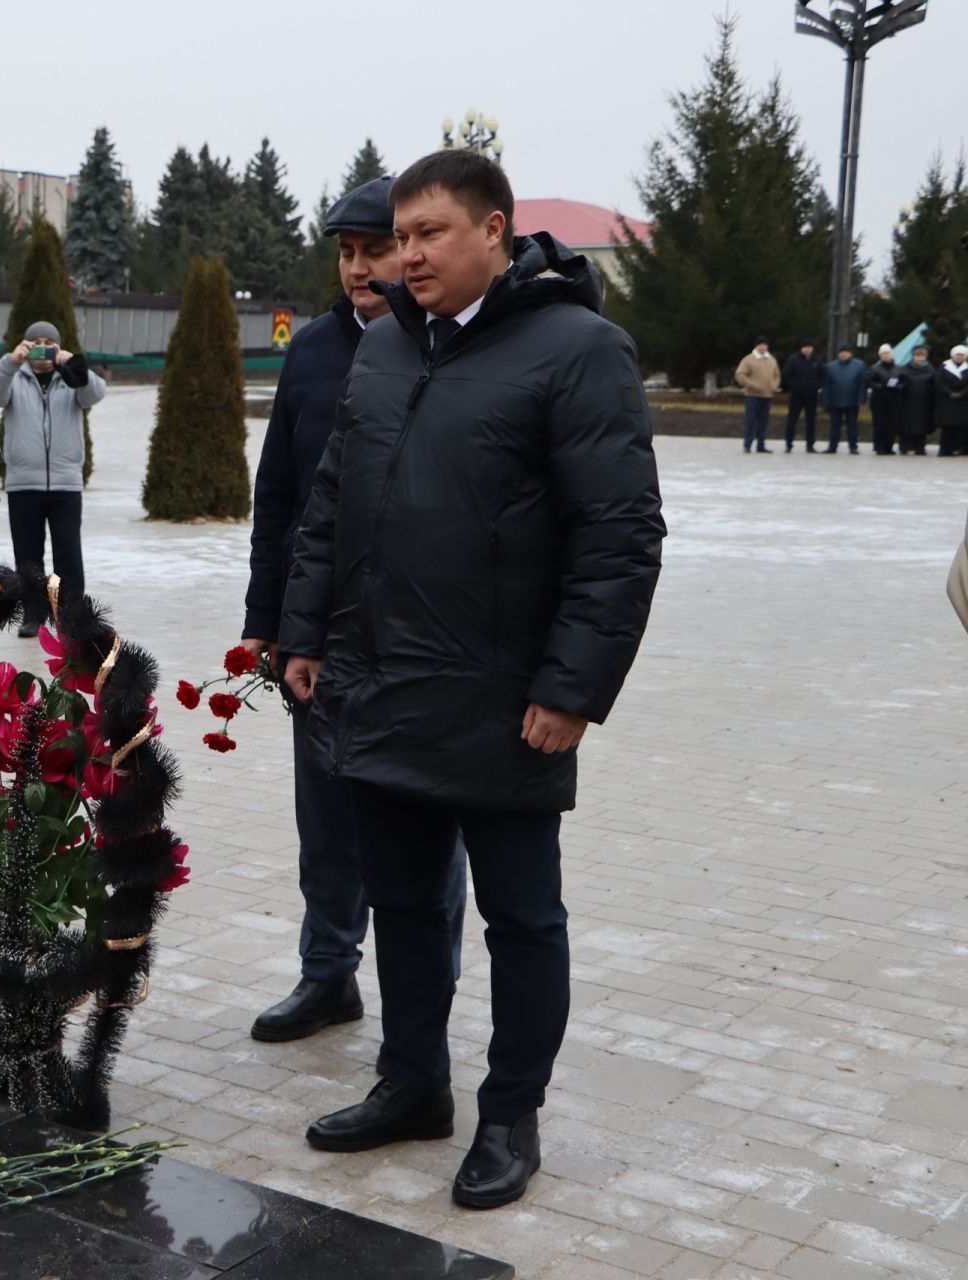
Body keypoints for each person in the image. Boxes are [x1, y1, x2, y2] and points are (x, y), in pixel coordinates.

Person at [279, 150, 663, 1209]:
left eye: (430, 234)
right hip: (380, 681)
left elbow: (619, 536)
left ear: (494, 231)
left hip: (507, 700)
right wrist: (304, 633)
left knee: (522, 916)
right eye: (399, 237)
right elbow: (330, 503)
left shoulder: (579, 348)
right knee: (400, 901)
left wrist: (572, 686)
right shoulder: (389, 346)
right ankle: (411, 1082)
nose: (407, 256)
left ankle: (509, 1111)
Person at [241, 175, 465, 1045]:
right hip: (318, 635)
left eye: (376, 249)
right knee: (326, 820)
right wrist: (266, 618)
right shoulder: (314, 351)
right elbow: (281, 498)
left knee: (420, 831)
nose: (362, 267)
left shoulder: (447, 348)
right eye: (347, 251)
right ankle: (327, 973)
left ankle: (427, 996)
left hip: (417, 636)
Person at [0, 320, 106, 638]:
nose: (42, 347)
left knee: (68, 553)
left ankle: (74, 616)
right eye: (35, 342)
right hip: (22, 483)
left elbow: (96, 393)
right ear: (26, 347)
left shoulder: (71, 380)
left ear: (58, 346)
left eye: (48, 342)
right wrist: (11, 361)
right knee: (27, 555)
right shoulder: (15, 378)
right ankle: (33, 614)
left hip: (66, 483)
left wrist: (71, 362)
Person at [734, 336, 779, 453]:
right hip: (752, 396)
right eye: (760, 344)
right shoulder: (748, 359)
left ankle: (761, 445)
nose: (763, 347)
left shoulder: (771, 360)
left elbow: (776, 375)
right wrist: (751, 385)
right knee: (751, 421)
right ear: (756, 346)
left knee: (763, 422)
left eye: (765, 345)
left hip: (767, 396)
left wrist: (774, 385)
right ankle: (747, 445)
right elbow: (740, 374)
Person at [821, 343, 867, 455]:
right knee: (834, 426)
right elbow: (826, 385)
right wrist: (825, 400)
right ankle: (832, 446)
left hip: (852, 401)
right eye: (841, 352)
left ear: (850, 353)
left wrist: (861, 399)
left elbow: (862, 384)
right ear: (838, 354)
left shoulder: (859, 365)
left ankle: (853, 447)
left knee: (852, 426)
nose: (844, 354)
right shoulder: (831, 366)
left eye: (846, 352)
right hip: (835, 401)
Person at [780, 337, 823, 454]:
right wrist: (795, 386)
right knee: (792, 420)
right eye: (805, 347)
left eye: (810, 347)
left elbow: (823, 375)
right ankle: (788, 444)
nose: (807, 349)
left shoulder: (817, 360)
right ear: (801, 348)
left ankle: (810, 445)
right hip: (796, 395)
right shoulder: (793, 359)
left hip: (812, 396)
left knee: (811, 421)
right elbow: (786, 375)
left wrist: (817, 385)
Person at [901, 344, 937, 456]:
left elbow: (935, 385)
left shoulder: (930, 370)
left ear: (926, 357)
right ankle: (904, 447)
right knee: (906, 426)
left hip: (924, 403)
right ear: (913, 356)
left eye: (922, 356)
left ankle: (920, 447)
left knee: (921, 427)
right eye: (917, 356)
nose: (919, 358)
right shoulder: (905, 368)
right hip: (907, 403)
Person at [869, 345, 904, 455]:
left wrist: (898, 387)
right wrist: (881, 387)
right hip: (879, 399)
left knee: (892, 424)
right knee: (879, 423)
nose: (886, 355)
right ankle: (879, 446)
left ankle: (889, 446)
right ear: (880, 356)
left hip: (894, 399)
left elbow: (904, 381)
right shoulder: (875, 368)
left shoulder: (899, 368)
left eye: (887, 353)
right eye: (883, 354)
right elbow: (870, 381)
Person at [937, 345, 968, 458]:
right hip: (947, 401)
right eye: (958, 355)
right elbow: (939, 382)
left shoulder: (966, 367)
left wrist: (962, 393)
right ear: (953, 355)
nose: (960, 357)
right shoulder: (945, 367)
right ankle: (945, 449)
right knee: (948, 426)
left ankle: (961, 448)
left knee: (962, 426)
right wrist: (949, 393)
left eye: (962, 355)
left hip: (963, 401)